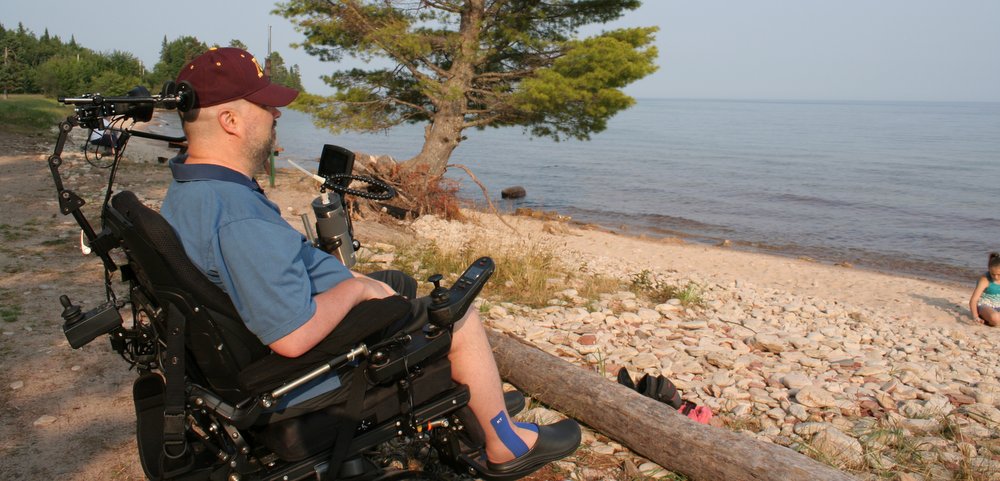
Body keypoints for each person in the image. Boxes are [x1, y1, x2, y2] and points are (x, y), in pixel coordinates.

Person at [159, 47, 580, 477]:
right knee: (459, 318)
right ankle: (505, 445)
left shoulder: (191, 189)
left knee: (397, 284)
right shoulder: (236, 214)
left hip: (253, 354)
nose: (276, 115)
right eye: (266, 106)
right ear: (230, 121)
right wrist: (356, 288)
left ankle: (479, 400)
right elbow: (292, 335)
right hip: (298, 377)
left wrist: (353, 281)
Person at [969, 252, 1000, 327]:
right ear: (989, 270)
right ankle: (987, 318)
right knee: (995, 318)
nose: (995, 277)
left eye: (999, 274)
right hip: (985, 306)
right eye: (993, 274)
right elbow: (973, 300)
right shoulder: (985, 280)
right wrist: (975, 317)